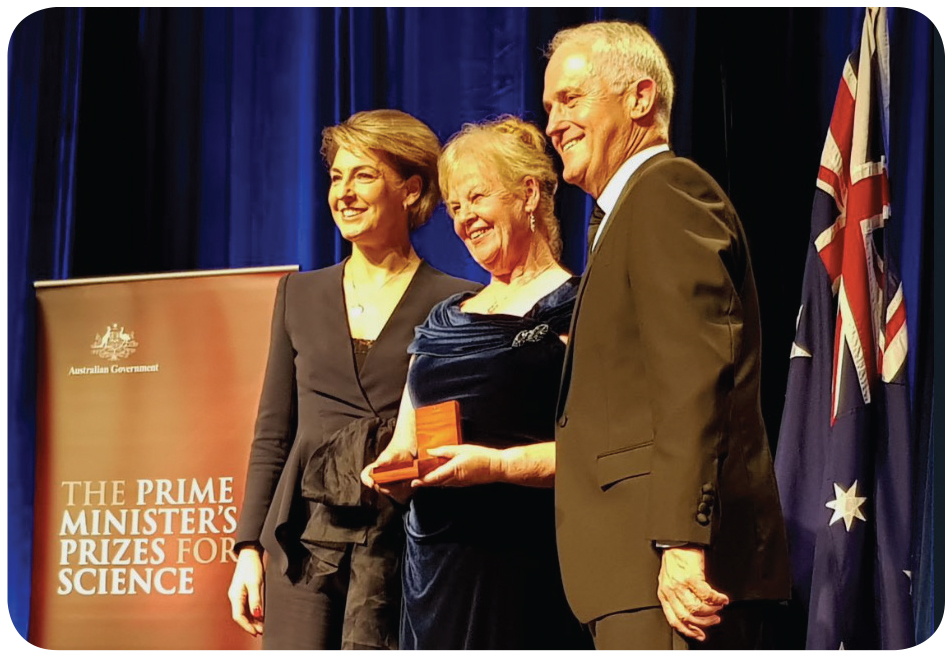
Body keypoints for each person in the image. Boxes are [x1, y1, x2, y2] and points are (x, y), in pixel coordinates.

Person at [542, 21, 791, 649]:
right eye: (548, 108)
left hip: (674, 575)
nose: (552, 124)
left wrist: (682, 541)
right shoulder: (620, 216)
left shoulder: (666, 193)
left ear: (640, 97)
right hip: (634, 572)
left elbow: (695, 376)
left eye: (570, 100)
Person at [227, 109, 480, 649]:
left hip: (405, 543)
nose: (343, 192)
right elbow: (274, 431)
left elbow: (448, 433)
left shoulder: (454, 301)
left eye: (363, 175)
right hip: (302, 541)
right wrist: (249, 547)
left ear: (411, 190)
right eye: (337, 177)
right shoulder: (300, 294)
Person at [361, 116, 592, 650]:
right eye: (454, 207)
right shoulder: (443, 319)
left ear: (528, 194)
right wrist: (392, 470)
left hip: (526, 558)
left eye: (477, 198)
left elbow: (602, 451)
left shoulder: (579, 306)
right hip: (436, 570)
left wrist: (499, 466)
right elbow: (406, 441)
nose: (465, 219)